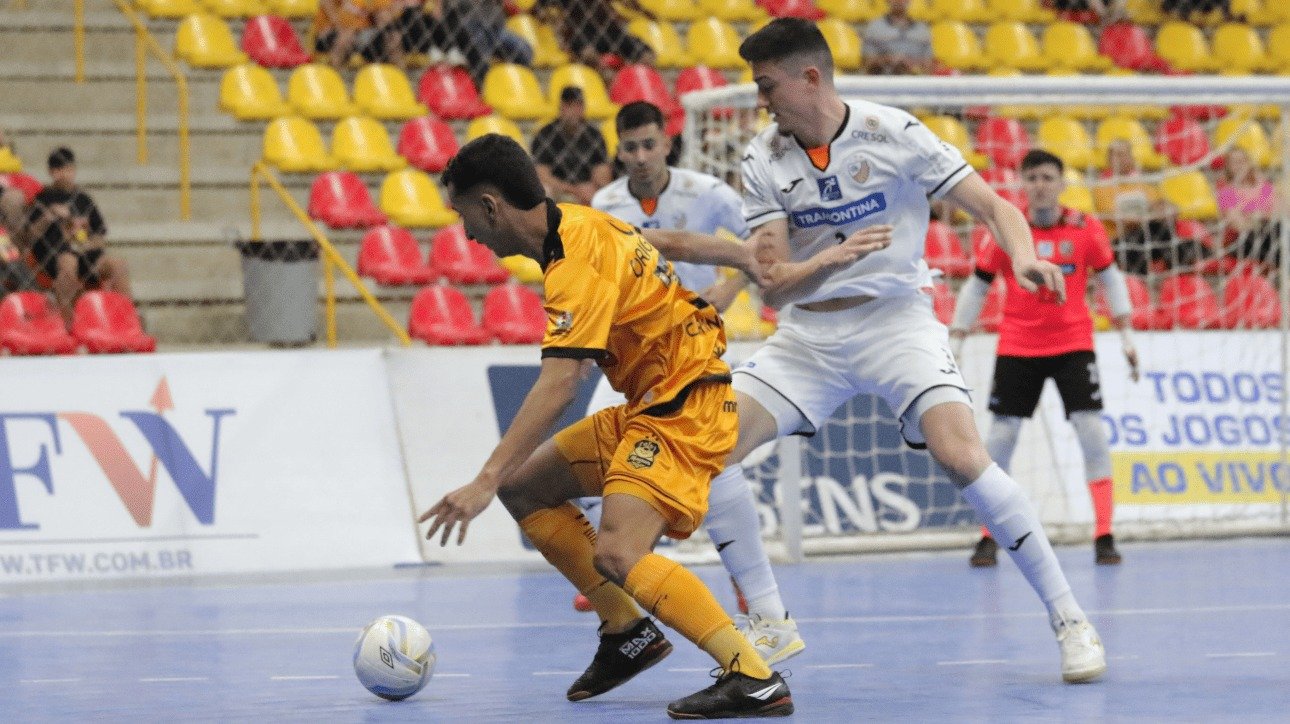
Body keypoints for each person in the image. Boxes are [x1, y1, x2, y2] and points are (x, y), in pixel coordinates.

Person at [658, 19, 1107, 683]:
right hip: (808, 337)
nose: (761, 101)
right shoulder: (762, 157)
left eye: (767, 85)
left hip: (897, 322)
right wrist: (836, 257)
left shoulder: (894, 134)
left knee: (961, 455)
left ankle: (1071, 619)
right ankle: (773, 623)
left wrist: (1026, 256)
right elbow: (776, 284)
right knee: (706, 448)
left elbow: (994, 208)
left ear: (810, 78)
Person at [419, 134, 794, 719]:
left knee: (616, 553)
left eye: (465, 215)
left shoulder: (574, 263)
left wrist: (483, 480)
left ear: (491, 207)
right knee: (528, 490)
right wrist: (740, 256)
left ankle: (753, 675)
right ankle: (627, 632)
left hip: (683, 406)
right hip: (652, 402)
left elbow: (561, 381)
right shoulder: (580, 222)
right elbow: (660, 239)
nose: (466, 233)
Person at [581, 101, 804, 664]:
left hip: (696, 350)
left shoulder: (707, 192)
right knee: (612, 450)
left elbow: (757, 247)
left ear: (666, 144)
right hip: (634, 354)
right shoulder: (605, 204)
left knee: (705, 457)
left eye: (648, 145)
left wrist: (726, 295)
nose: (639, 157)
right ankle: (630, 562)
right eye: (629, 147)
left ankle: (753, 600)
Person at [949, 149, 1137, 568]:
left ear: (1061, 183)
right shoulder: (1006, 229)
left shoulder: (1086, 228)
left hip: (1073, 343)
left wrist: (1126, 333)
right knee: (1001, 438)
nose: (1040, 184)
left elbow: (1110, 277)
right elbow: (978, 285)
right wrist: (958, 337)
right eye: (1032, 177)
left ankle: (1104, 533)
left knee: (1090, 431)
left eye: (1047, 177)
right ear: (1023, 184)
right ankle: (988, 535)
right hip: (1018, 344)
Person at [23, 147, 130, 324]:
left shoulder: (83, 199)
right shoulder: (42, 199)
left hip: (85, 254)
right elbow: (29, 236)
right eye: (59, 170)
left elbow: (99, 236)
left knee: (118, 264)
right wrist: (49, 216)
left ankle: (125, 322)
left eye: (68, 169)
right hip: (55, 257)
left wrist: (87, 244)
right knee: (68, 261)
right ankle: (70, 326)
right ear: (51, 172)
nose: (65, 174)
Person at [1094, 139, 1197, 274]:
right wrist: (1152, 215)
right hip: (1124, 241)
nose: (1121, 159)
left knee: (1172, 234)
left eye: (1124, 154)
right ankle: (1178, 269)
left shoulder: (1142, 185)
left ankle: (1181, 272)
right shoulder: (1226, 190)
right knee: (1157, 229)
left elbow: (1167, 207)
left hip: (1147, 237)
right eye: (1117, 155)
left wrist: (1161, 212)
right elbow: (1228, 214)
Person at [531, 86, 613, 205]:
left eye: (578, 105)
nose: (574, 110)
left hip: (586, 190)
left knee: (604, 194)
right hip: (557, 190)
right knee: (545, 191)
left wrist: (594, 187)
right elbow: (541, 175)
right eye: (569, 105)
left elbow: (603, 173)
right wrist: (573, 190)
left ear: (583, 107)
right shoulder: (545, 134)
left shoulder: (594, 135)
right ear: (561, 107)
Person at [1217, 146, 1282, 268]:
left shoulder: (1263, 185)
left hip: (1269, 235)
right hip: (1241, 242)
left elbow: (1280, 212)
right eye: (1235, 162)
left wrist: (1252, 215)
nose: (1240, 165)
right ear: (1228, 167)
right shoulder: (1226, 192)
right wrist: (1262, 215)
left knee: (1280, 229)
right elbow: (1238, 225)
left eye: (1243, 161)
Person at [861, 0, 934, 76]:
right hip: (883, 82)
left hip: (915, 83)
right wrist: (889, 59)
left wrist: (910, 63)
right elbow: (867, 65)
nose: (899, 1)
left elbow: (929, 66)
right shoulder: (874, 27)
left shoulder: (922, 30)